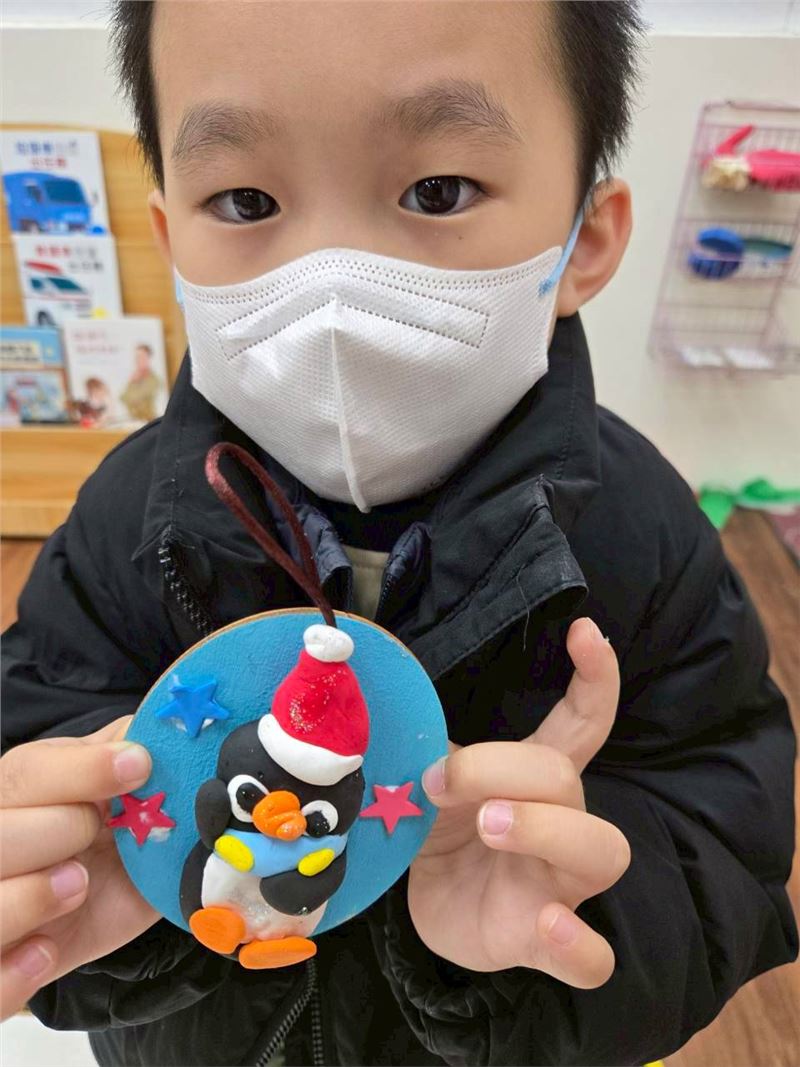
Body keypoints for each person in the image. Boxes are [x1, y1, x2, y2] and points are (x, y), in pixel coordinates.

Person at [0, 3, 796, 1065]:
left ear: (586, 241)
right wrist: (88, 884)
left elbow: (723, 832)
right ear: (169, 239)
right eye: (245, 200)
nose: (332, 283)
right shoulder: (130, 517)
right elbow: (31, 723)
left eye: (438, 191)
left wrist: (552, 928)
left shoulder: (641, 534)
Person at [119, 343, 162, 423]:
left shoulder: (154, 380)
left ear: (148, 358)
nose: (138, 360)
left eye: (141, 357)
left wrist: (133, 384)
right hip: (134, 421)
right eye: (136, 357)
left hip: (149, 421)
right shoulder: (135, 378)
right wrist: (132, 382)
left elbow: (135, 399)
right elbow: (122, 397)